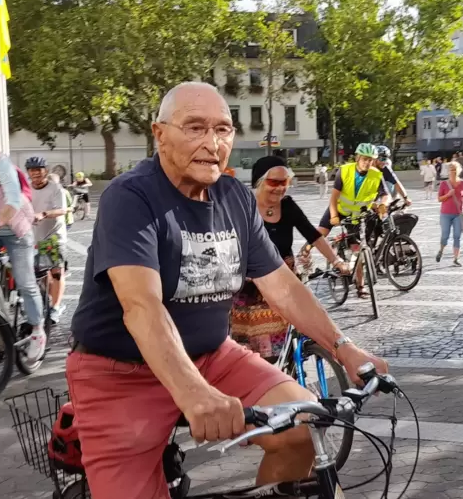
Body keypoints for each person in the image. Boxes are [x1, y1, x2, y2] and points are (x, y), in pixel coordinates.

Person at [67, 82, 387, 499]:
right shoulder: (130, 196)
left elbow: (283, 288)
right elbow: (141, 304)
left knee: (304, 429)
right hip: (120, 372)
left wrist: (346, 348)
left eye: (223, 129)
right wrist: (194, 392)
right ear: (159, 134)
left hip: (213, 356)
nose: (212, 142)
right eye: (195, 127)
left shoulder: (234, 196)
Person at [231, 155, 350, 361]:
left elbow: (313, 236)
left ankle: (289, 382)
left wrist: (337, 262)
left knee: (290, 340)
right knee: (254, 352)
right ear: (259, 182)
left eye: (284, 182)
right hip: (250, 285)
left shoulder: (288, 205)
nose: (280, 188)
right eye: (274, 182)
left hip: (284, 280)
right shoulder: (243, 207)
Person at [0, 121, 44, 362]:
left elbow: (13, 200)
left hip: (14, 228)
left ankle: (38, 331)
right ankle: (0, 324)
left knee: (25, 282)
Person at [316, 143, 389, 298]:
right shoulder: (345, 170)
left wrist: (383, 204)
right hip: (340, 209)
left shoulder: (376, 175)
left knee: (358, 250)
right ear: (357, 158)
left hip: (357, 215)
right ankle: (304, 260)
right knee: (318, 234)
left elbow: (384, 194)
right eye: (364, 159)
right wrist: (334, 215)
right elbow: (334, 197)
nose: (367, 162)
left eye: (371, 160)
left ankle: (360, 286)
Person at [26, 158, 68, 324]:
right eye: (32, 169)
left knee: (56, 272)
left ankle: (56, 307)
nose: (35, 172)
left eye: (39, 169)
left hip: (53, 237)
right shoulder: (26, 189)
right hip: (33, 238)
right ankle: (47, 302)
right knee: (42, 275)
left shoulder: (55, 188)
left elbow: (61, 210)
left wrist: (43, 214)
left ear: (46, 171)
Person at [436, 161, 463, 267]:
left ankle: (456, 258)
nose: (453, 172)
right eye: (451, 170)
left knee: (457, 236)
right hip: (445, 214)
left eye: (455, 169)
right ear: (448, 171)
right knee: (445, 235)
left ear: (459, 170)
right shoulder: (444, 184)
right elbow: (439, 199)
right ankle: (441, 250)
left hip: (458, 214)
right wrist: (448, 195)